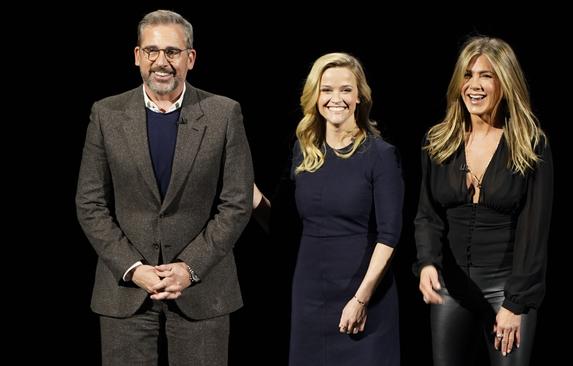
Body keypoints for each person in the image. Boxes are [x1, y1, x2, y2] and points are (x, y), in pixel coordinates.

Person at [75, 10, 253, 365]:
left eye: (172, 52)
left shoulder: (224, 113)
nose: (161, 62)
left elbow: (237, 202)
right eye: (152, 51)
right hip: (124, 291)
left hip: (203, 293)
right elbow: (90, 202)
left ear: (190, 58)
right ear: (137, 55)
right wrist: (132, 268)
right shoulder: (106, 114)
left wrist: (190, 268)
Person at [414, 36, 553, 366]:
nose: (473, 85)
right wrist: (427, 262)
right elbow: (427, 215)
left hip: (506, 288)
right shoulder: (438, 142)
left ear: (505, 82)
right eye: (468, 75)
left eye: (486, 75)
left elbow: (534, 233)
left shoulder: (531, 145)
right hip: (451, 290)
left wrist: (515, 303)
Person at [286, 52, 403, 365]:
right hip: (309, 296)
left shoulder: (380, 154)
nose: (335, 98)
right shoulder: (304, 151)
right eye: (326, 90)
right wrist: (245, 191)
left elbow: (390, 235)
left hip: (364, 296)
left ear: (359, 97)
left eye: (345, 89)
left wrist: (361, 299)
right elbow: (284, 222)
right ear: (315, 96)